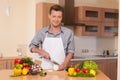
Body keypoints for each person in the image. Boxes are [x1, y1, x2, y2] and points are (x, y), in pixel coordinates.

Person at [29, 4, 74, 71]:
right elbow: (31, 47)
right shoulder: (42, 32)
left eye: (59, 17)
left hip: (61, 70)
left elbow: (71, 51)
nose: (56, 19)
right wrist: (41, 51)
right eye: (54, 16)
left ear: (62, 17)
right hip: (45, 71)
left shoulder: (68, 33)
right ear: (49, 16)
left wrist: (64, 65)